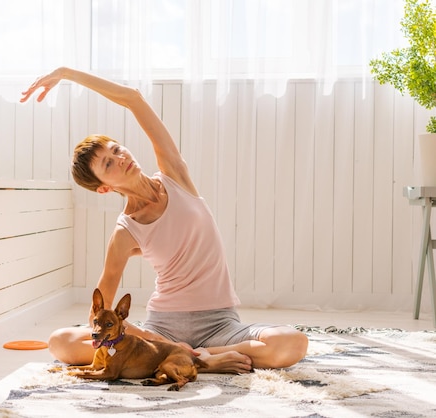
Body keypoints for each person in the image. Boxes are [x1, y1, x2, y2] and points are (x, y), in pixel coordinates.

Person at [20, 67, 308, 374]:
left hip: (220, 325)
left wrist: (67, 74)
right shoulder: (124, 232)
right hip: (163, 330)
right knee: (61, 341)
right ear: (104, 188)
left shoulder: (175, 175)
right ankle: (190, 358)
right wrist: (147, 337)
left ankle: (199, 356)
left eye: (117, 149)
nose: (120, 158)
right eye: (108, 162)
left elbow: (133, 99)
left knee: (292, 342)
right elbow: (98, 314)